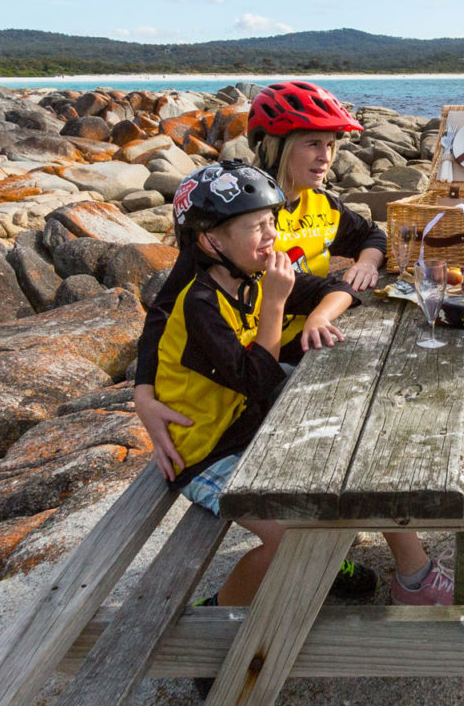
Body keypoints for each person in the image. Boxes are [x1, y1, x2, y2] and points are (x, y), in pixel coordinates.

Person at [136, 82, 464, 604]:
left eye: (332, 146)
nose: (325, 157)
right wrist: (144, 393)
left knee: (366, 427)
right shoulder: (221, 266)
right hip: (236, 404)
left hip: (268, 379)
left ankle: (380, 567)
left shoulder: (284, 236)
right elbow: (167, 317)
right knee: (348, 447)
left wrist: (354, 276)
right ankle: (244, 604)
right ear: (277, 147)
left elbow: (362, 247)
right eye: (312, 144)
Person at [151, 161, 354, 606]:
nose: (271, 236)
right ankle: (220, 612)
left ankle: (323, 564)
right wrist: (277, 305)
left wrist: (318, 313)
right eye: (256, 227)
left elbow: (343, 290)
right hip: (204, 452)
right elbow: (255, 381)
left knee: (338, 455)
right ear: (211, 241)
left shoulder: (255, 277)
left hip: (245, 426)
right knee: (286, 540)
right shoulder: (202, 304)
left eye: (271, 223)